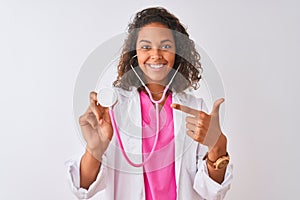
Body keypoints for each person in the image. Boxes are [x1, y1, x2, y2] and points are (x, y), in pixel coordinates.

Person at [66, 7, 233, 200]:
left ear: (177, 52)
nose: (156, 54)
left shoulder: (195, 108)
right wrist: (94, 149)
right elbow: (83, 188)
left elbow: (212, 192)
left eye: (166, 46)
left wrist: (218, 146)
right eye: (146, 46)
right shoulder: (113, 107)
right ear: (134, 53)